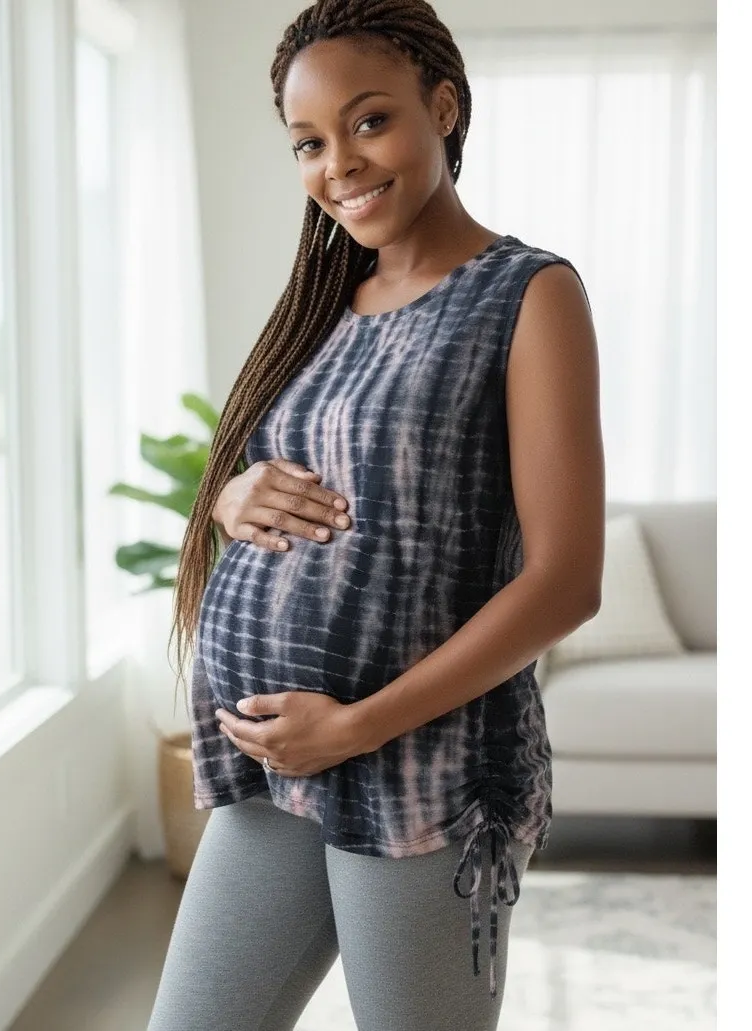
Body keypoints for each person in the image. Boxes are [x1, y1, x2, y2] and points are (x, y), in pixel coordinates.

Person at [149, 1, 604, 1028]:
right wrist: (226, 494)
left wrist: (351, 726)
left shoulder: (526, 294)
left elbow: (565, 580)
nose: (337, 164)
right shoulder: (324, 302)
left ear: (440, 107)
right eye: (307, 142)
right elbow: (297, 477)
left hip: (422, 771)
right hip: (280, 768)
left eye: (367, 122)